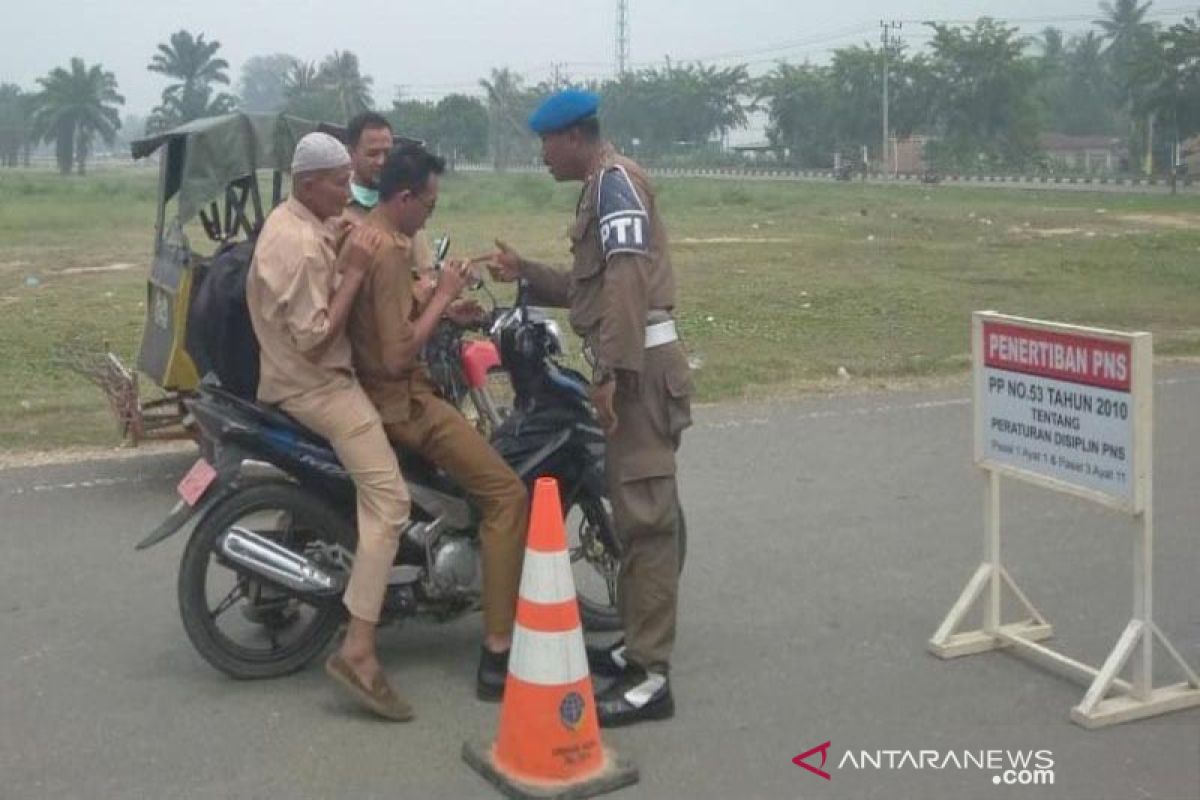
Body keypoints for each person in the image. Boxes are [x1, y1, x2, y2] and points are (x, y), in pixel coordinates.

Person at [487, 90, 692, 727]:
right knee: (631, 520)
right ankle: (635, 647)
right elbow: (591, 286)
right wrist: (525, 272)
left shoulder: (615, 184)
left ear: (573, 137)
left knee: (647, 518)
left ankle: (650, 679)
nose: (542, 156)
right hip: (631, 362)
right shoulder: (599, 187)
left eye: (547, 143)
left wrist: (610, 373)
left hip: (640, 370)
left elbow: (628, 282)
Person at [345, 142, 528, 701]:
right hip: (404, 400)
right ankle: (498, 652)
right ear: (403, 197)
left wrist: (441, 303)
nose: (430, 213)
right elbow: (399, 355)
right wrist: (445, 291)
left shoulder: (370, 236)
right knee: (506, 495)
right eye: (428, 203)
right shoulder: (390, 252)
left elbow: (391, 317)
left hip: (378, 392)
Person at [245, 132, 414, 722]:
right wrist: (357, 272)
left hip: (302, 378)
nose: (350, 191)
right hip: (317, 386)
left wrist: (350, 241)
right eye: (341, 182)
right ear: (309, 182)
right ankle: (359, 649)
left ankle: (284, 583)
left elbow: (335, 243)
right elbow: (317, 337)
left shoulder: (303, 220)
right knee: (390, 501)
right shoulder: (293, 242)